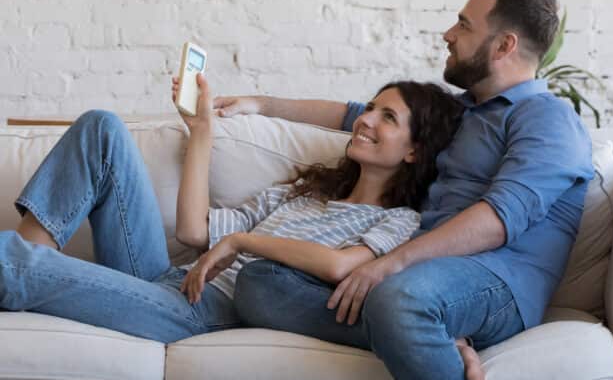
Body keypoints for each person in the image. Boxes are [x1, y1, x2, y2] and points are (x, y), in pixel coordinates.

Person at [219, 0, 595, 380]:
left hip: (500, 278)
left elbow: (500, 219)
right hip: (433, 279)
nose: (449, 32)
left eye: (465, 25)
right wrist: (258, 104)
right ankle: (436, 340)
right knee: (262, 282)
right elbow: (353, 115)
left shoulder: (546, 118)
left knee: (400, 296)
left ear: (503, 46)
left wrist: (390, 265)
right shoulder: (464, 112)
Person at [1, 77, 462, 343]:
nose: (365, 120)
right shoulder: (306, 192)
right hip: (169, 282)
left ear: (414, 152)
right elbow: (193, 231)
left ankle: (22, 270)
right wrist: (201, 130)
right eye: (372, 108)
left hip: (207, 313)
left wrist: (242, 241)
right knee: (101, 127)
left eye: (388, 117)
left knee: (15, 261)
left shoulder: (400, 221)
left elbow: (341, 266)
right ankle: (25, 271)